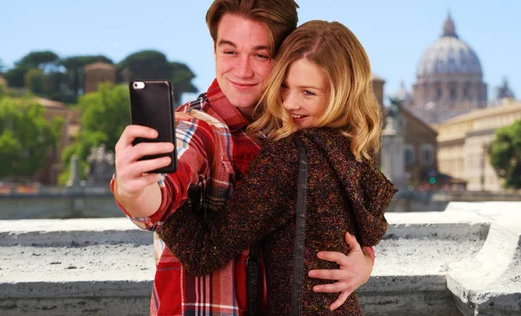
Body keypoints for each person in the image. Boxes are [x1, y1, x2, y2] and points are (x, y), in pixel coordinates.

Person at [111, 0, 377, 314]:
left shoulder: (299, 136)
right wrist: (135, 190)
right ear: (214, 52)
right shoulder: (197, 127)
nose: (243, 70)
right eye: (230, 52)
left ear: (282, 58)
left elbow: (351, 224)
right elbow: (163, 190)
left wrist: (364, 264)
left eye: (260, 55)